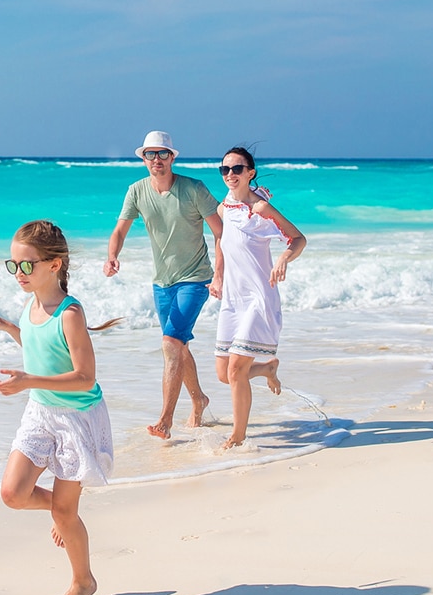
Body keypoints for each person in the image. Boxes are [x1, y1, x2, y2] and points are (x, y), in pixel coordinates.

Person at [0, 220, 121, 595]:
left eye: (27, 265)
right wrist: (9, 327)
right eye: (13, 265)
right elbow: (39, 345)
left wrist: (28, 381)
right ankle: (61, 508)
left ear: (54, 265)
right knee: (13, 494)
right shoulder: (31, 306)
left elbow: (85, 377)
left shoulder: (70, 314)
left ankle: (83, 581)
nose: (18, 273)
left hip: (76, 419)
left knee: (64, 512)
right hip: (40, 412)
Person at [104, 130, 224, 439]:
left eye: (162, 154)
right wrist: (112, 256)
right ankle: (199, 400)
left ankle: (164, 420)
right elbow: (120, 230)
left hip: (195, 278)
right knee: (178, 347)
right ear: (143, 158)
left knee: (171, 344)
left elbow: (220, 232)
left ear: (172, 157)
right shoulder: (136, 191)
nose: (156, 159)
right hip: (162, 282)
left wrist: (220, 275)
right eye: (150, 154)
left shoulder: (194, 189)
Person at [210, 147, 307, 449]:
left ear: (250, 173)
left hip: (258, 298)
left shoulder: (260, 209)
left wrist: (283, 259)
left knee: (236, 370)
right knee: (224, 374)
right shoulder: (224, 208)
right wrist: (218, 275)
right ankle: (266, 368)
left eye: (237, 169)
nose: (230, 174)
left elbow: (298, 238)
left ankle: (237, 436)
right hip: (233, 300)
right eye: (225, 169)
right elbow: (221, 241)